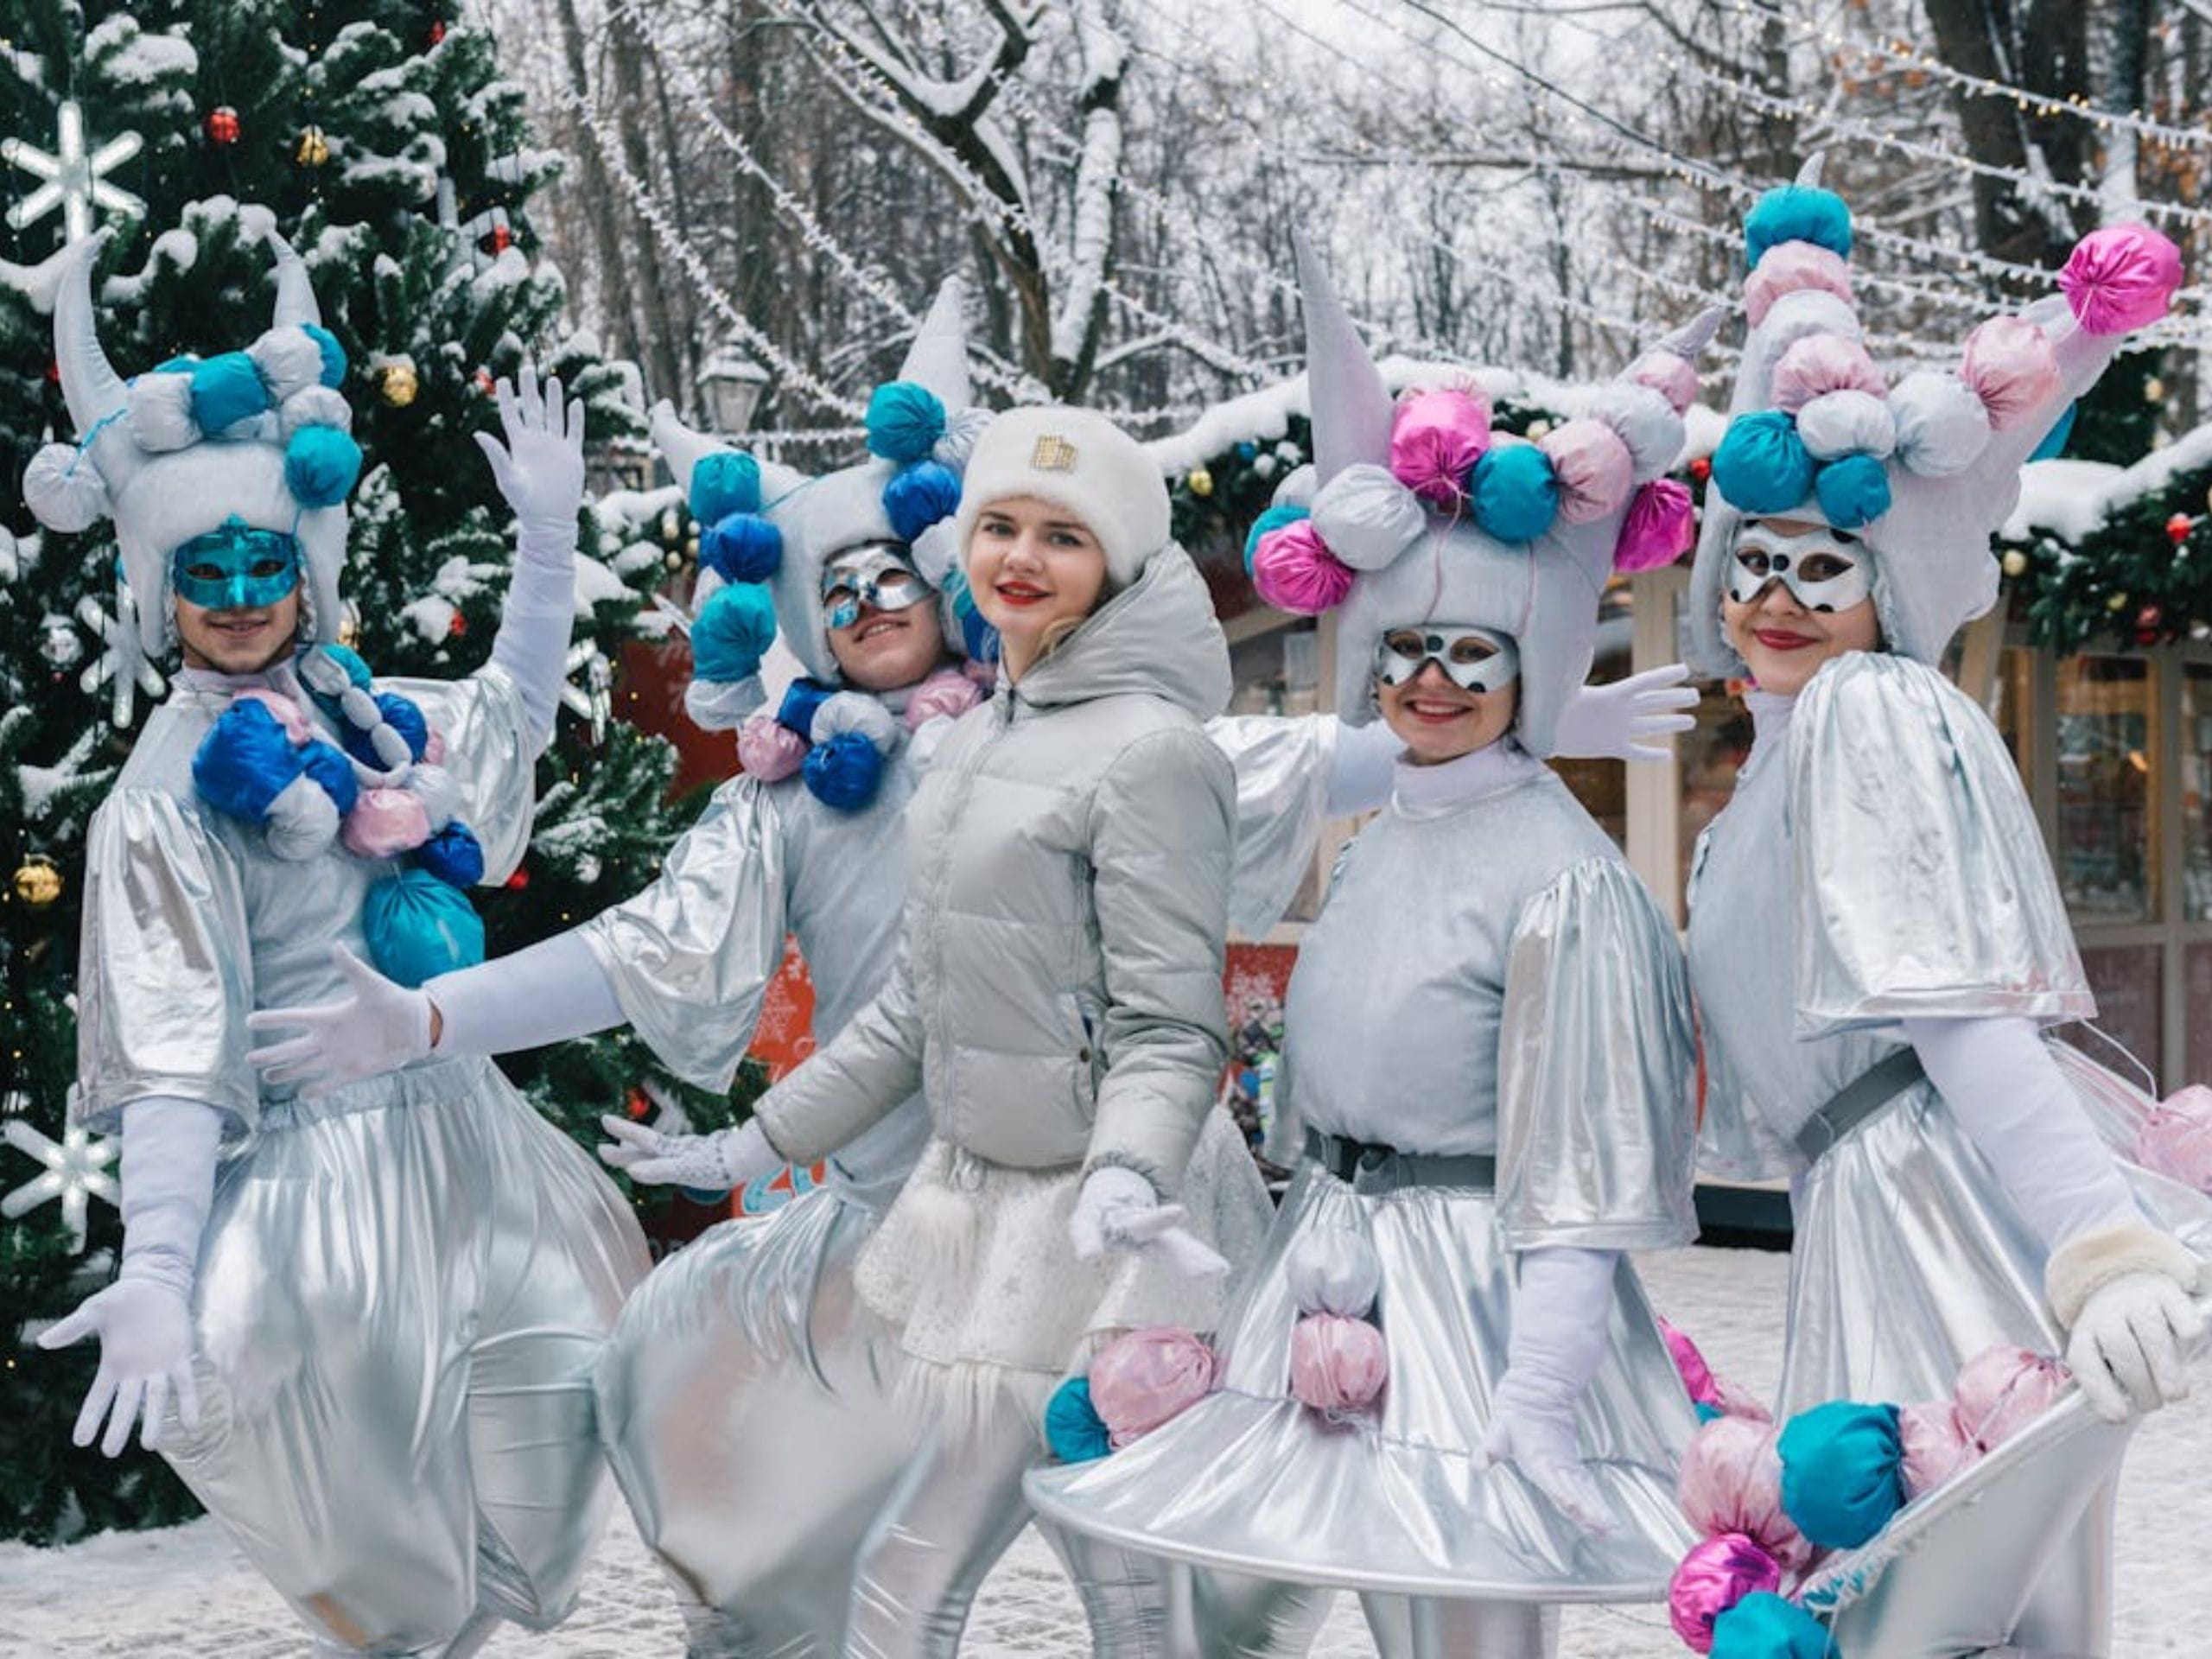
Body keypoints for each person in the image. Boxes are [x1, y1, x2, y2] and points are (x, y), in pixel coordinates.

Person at [1027, 239, 1710, 1659]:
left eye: (1474, 656)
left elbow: (1582, 1174)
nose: (1432, 685)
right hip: (1333, 1262)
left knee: (1465, 1618)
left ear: (1529, 668)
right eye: (1406, 655)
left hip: (1476, 1293)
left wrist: (1535, 1395)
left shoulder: (1564, 878)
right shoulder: (1393, 824)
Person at [28, 230, 648, 1658]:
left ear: (308, 570)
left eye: (265, 559)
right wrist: (163, 1266)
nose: (241, 592)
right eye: (204, 570)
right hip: (312, 1190)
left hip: (469, 1149)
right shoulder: (162, 799)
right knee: (386, 1565)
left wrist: (548, 548)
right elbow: (177, 1053)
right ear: (157, 591)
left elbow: (513, 715)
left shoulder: (373, 718)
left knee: (529, 1500)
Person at [1681, 161, 2212, 1652]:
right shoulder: (1764, 782)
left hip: (1936, 1200)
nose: (1777, 597)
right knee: (1965, 1604)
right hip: (1862, 1209)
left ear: (1883, 592)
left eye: (1824, 570)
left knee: (1952, 1599)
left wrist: (2097, 1247)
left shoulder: (1864, 711)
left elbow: (1959, 1011)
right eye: (1756, 567)